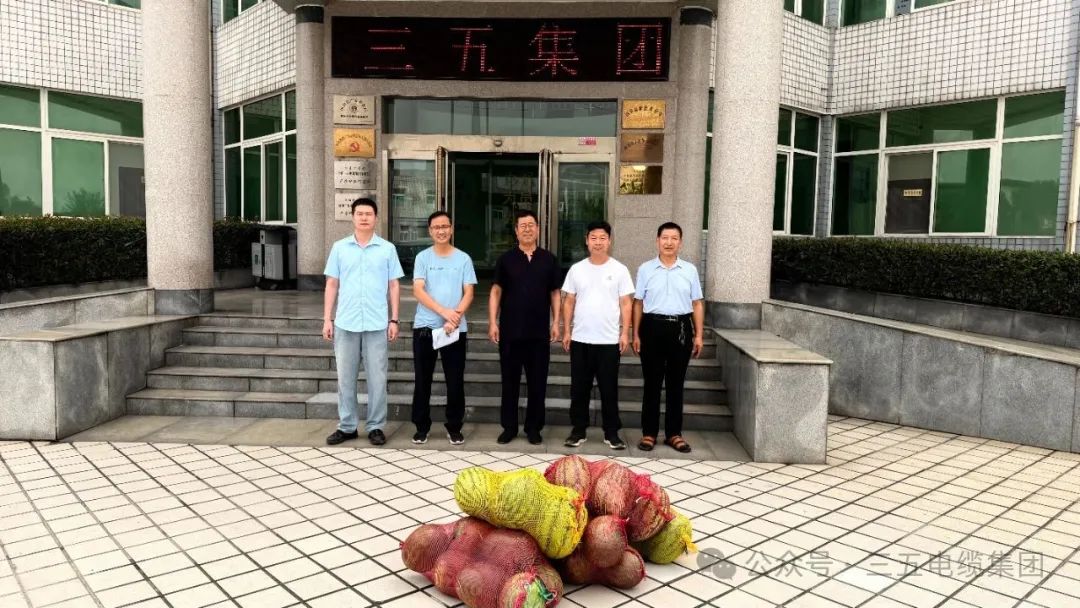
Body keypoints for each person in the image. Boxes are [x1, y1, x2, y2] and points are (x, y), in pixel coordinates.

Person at [322, 198, 404, 446]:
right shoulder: (339, 248)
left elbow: (394, 285)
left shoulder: (387, 249)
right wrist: (327, 319)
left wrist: (394, 319)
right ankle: (347, 426)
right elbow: (332, 284)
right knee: (345, 378)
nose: (364, 217)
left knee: (377, 379)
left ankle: (376, 426)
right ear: (353, 217)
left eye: (369, 213)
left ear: (376, 218)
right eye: (360, 213)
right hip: (345, 322)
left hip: (377, 323)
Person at [488, 209, 561, 445]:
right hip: (510, 332)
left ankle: (534, 428)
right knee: (509, 382)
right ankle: (509, 427)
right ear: (516, 231)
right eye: (523, 225)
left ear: (538, 229)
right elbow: (496, 291)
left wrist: (556, 322)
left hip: (538, 333)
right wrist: (493, 322)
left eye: (531, 225)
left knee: (537, 383)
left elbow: (555, 293)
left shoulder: (548, 259)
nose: (527, 229)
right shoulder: (506, 259)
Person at [560, 221, 634, 450]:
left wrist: (625, 332)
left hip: (609, 341)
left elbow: (626, 303)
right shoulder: (577, 269)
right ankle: (578, 430)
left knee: (609, 389)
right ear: (586, 241)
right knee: (578, 389)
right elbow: (569, 300)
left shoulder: (619, 270)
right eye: (593, 238)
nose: (598, 242)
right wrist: (566, 330)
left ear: (609, 241)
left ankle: (611, 433)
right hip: (581, 339)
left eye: (602, 238)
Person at [632, 222, 705, 454]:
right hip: (651, 327)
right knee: (652, 383)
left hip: (681, 329)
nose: (669, 242)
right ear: (657, 241)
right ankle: (649, 433)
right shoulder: (645, 269)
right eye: (665, 238)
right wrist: (635, 333)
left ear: (680, 242)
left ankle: (674, 433)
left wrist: (699, 334)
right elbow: (638, 303)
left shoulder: (690, 270)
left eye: (674, 238)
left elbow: (696, 303)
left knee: (676, 384)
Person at [410, 210, 477, 445]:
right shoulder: (422, 258)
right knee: (422, 380)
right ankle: (421, 426)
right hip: (425, 328)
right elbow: (418, 290)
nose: (441, 231)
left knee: (455, 380)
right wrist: (444, 312)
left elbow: (469, 292)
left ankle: (454, 426)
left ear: (451, 229)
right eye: (436, 227)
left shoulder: (463, 259)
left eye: (445, 226)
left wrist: (454, 316)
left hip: (455, 329)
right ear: (430, 231)